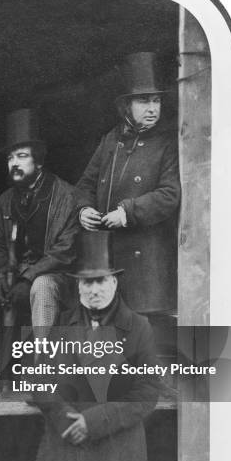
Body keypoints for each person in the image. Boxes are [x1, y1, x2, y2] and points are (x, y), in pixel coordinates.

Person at [18, 231, 160, 461]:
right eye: (87, 282)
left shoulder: (139, 328)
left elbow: (146, 395)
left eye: (101, 281)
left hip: (115, 448)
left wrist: (93, 422)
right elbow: (40, 380)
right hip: (65, 441)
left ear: (115, 282)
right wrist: (65, 418)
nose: (94, 290)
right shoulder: (61, 323)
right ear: (77, 285)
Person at [0, 108, 80, 393]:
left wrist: (28, 276)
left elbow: (65, 249)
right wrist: (1, 277)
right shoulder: (6, 200)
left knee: (41, 286)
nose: (14, 164)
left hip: (55, 279)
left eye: (22, 156)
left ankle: (42, 374)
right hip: (12, 279)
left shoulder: (66, 196)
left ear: (38, 161)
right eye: (10, 158)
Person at [76, 52, 181, 313]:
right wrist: (84, 210)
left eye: (156, 101)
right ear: (126, 106)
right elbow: (84, 186)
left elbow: (170, 194)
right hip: (107, 256)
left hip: (146, 257)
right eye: (144, 101)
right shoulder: (111, 140)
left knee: (145, 333)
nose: (152, 108)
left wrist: (127, 213)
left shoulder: (168, 143)